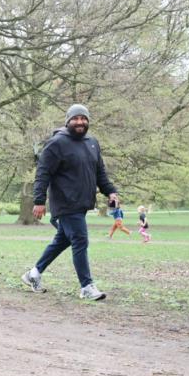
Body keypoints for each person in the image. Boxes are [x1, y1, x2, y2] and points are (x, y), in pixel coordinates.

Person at [21, 104, 118, 301]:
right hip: (65, 202)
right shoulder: (57, 143)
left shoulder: (92, 143)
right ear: (68, 120)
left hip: (82, 202)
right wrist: (39, 200)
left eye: (84, 119)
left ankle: (33, 274)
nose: (80, 122)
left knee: (63, 240)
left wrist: (111, 191)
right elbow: (43, 173)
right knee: (80, 240)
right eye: (76, 118)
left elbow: (99, 172)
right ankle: (86, 286)